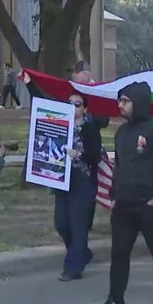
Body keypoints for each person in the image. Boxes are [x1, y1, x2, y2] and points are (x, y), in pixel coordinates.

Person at [87, 82, 153, 304]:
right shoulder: (122, 133)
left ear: (138, 103)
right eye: (120, 101)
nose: (120, 106)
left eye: (125, 101)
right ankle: (115, 301)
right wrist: (113, 195)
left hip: (150, 205)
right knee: (119, 253)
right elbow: (119, 165)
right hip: (124, 204)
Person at [55, 94, 104, 280]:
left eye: (77, 104)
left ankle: (72, 268)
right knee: (61, 224)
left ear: (85, 109)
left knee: (78, 226)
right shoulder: (60, 125)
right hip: (62, 180)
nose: (73, 107)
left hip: (83, 181)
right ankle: (82, 253)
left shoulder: (90, 129)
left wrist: (78, 155)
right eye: (69, 103)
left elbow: (95, 157)